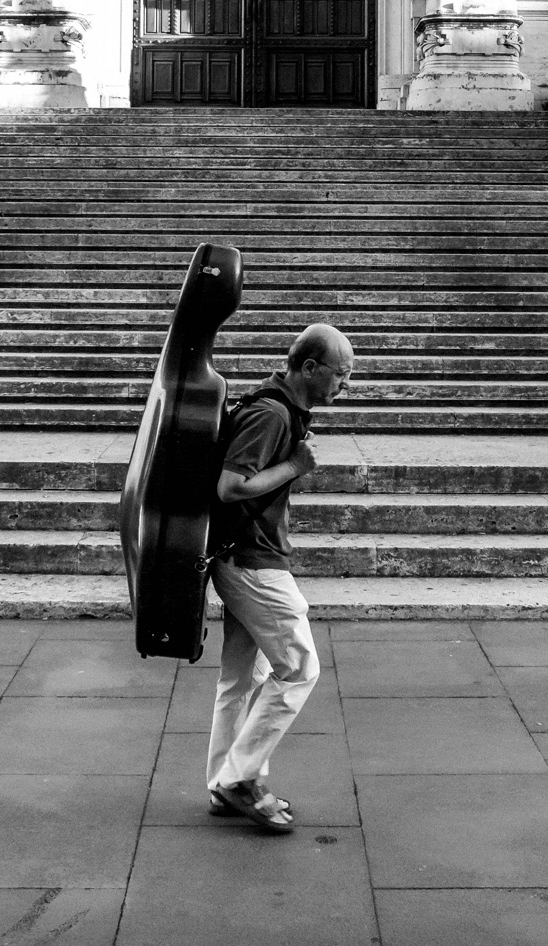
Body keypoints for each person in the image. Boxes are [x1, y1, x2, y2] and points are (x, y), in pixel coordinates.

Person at [205, 323, 354, 834]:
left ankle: (223, 783)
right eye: (341, 373)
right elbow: (229, 487)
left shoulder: (276, 407)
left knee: (242, 679)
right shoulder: (270, 414)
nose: (346, 385)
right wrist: (294, 466)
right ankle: (239, 779)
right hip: (252, 562)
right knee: (299, 668)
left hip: (241, 556)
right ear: (309, 368)